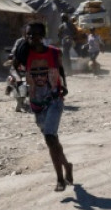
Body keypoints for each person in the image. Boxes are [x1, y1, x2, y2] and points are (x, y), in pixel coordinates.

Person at [13, 22, 73, 192]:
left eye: (36, 34)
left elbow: (61, 70)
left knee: (50, 137)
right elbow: (14, 68)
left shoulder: (54, 53)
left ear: (43, 35)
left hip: (54, 100)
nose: (32, 38)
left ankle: (60, 180)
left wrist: (65, 85)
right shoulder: (24, 52)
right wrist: (18, 79)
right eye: (29, 34)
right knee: (53, 140)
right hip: (36, 103)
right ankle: (67, 166)